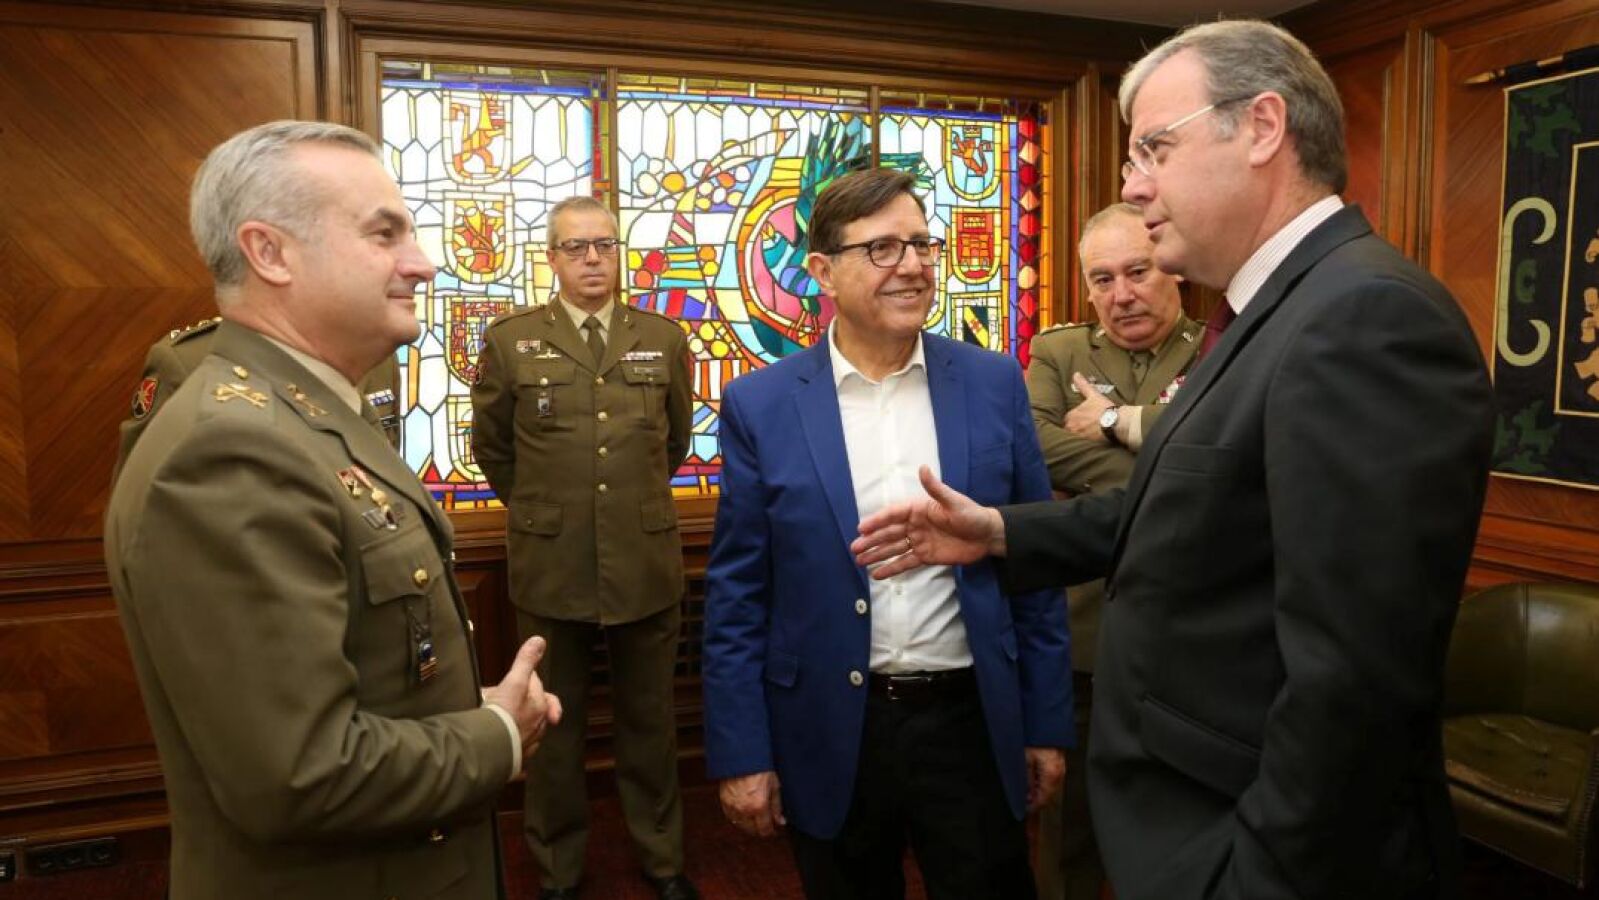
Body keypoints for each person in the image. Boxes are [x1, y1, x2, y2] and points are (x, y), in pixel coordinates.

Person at [854, 20, 1494, 900]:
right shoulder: (1275, 312)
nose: (1132, 185)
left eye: (1154, 148)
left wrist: (1249, 880)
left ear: (1261, 127)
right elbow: (1190, 507)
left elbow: (1353, 687)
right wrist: (998, 532)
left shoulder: (1363, 317)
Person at [104, 119, 561, 900]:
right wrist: (494, 737)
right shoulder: (231, 452)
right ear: (270, 252)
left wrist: (465, 713)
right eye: (384, 234)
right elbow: (298, 775)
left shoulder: (309, 413)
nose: (422, 262)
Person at [701, 167, 1072, 900]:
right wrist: (742, 752)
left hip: (970, 720)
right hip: (831, 726)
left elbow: (1032, 562)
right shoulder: (760, 405)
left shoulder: (994, 383)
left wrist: (1045, 724)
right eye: (881, 249)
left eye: (921, 245)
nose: (911, 266)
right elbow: (738, 595)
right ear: (821, 272)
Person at [470, 195, 696, 900]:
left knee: (650, 724)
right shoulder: (512, 341)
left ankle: (663, 863)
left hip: (642, 558)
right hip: (552, 561)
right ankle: (558, 872)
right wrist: (546, 507)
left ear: (617, 253)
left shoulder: (662, 338)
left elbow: (675, 442)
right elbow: (493, 449)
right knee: (552, 728)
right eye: (576, 246)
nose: (592, 258)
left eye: (604, 244)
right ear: (552, 258)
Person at [1026, 201, 1199, 900]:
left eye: (1138, 271)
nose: (1121, 294)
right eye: (1103, 279)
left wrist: (1108, 422)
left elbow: (1235, 449)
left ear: (1174, 270)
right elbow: (1034, 446)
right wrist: (1165, 468)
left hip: (1189, 636)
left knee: (1177, 824)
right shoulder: (1059, 351)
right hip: (1085, 632)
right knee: (1067, 826)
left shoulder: (1222, 349)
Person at [114, 317, 402, 474]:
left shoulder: (377, 357)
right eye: (382, 237)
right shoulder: (188, 361)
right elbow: (142, 520)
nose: (418, 267)